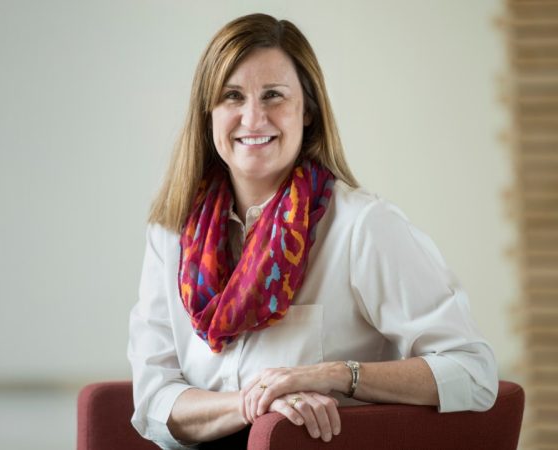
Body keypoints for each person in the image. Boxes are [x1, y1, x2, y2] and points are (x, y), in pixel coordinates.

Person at [127, 13, 498, 449]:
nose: (253, 117)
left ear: (308, 112)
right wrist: (255, 403)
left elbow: (473, 372)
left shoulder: (363, 227)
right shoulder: (170, 233)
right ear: (208, 114)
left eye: (273, 96)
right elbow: (154, 400)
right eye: (232, 96)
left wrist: (337, 375)